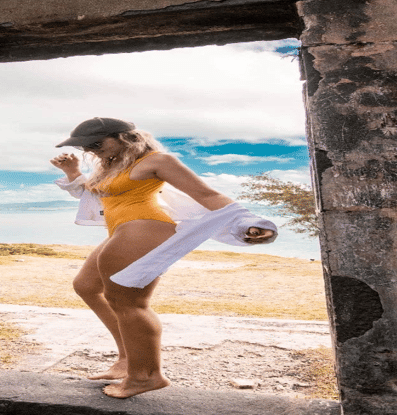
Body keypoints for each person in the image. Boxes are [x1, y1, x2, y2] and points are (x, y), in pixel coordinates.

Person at [50, 117, 275, 399]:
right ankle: (127, 361)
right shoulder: (111, 165)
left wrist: (250, 222)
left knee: (129, 302)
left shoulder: (157, 161)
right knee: (86, 286)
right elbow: (93, 197)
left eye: (97, 144)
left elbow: (207, 194)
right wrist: (72, 170)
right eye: (88, 147)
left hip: (145, 228)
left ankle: (146, 376)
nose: (93, 151)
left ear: (124, 137)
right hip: (122, 230)